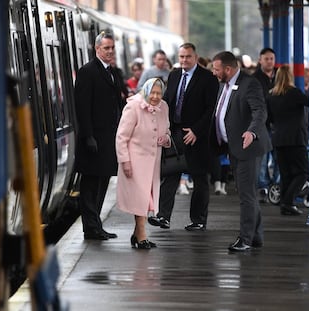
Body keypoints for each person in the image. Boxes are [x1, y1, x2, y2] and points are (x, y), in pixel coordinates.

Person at [148, 42, 219, 230]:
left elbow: (210, 109)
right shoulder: (173, 75)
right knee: (171, 174)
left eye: (188, 56)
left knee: (200, 178)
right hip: (176, 133)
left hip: (197, 135)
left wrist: (197, 131)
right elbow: (168, 102)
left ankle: (198, 220)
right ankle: (163, 216)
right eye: (181, 57)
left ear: (195, 57)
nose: (184, 60)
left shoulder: (208, 78)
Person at [210, 51, 271, 252]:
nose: (214, 72)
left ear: (228, 69)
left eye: (217, 69)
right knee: (248, 193)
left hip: (248, 147)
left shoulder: (249, 83)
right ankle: (256, 236)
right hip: (234, 147)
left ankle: (244, 239)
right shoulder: (223, 84)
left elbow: (260, 111)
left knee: (246, 195)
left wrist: (252, 132)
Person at [74, 30, 123, 240]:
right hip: (93, 140)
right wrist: (88, 136)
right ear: (97, 49)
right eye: (106, 48)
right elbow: (82, 107)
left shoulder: (113, 72)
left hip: (108, 139)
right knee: (90, 185)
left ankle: (96, 224)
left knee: (102, 182)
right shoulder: (87, 71)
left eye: (112, 48)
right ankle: (91, 228)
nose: (110, 51)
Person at [116, 78, 171, 249]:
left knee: (147, 200)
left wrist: (166, 138)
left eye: (159, 93)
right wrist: (124, 161)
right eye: (152, 92)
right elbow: (121, 137)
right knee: (141, 199)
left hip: (153, 163)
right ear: (145, 90)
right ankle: (141, 236)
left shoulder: (164, 107)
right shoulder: (133, 107)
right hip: (135, 161)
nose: (155, 97)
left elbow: (167, 129)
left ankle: (136, 233)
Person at [266, 64, 309, 216]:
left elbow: (269, 119)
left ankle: (285, 204)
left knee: (286, 174)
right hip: (296, 139)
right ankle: (288, 202)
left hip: (278, 139)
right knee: (303, 172)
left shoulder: (271, 95)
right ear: (290, 77)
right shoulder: (294, 93)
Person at [252, 47, 280, 203]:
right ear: (260, 60)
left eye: (272, 59)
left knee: (278, 156)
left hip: (279, 122)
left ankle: (276, 184)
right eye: (266, 59)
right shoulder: (255, 78)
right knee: (262, 156)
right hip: (262, 123)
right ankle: (263, 185)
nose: (269, 62)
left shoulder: (280, 76)